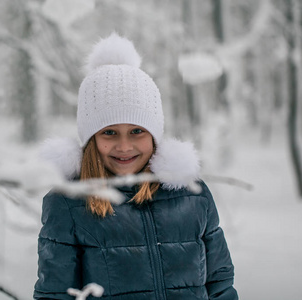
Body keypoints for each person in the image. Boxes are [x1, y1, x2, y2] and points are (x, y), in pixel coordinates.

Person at [34, 33, 238, 300]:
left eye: (137, 131)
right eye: (109, 133)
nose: (124, 146)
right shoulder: (69, 204)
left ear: (154, 134)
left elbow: (220, 285)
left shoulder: (192, 194)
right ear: (91, 139)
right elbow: (55, 295)